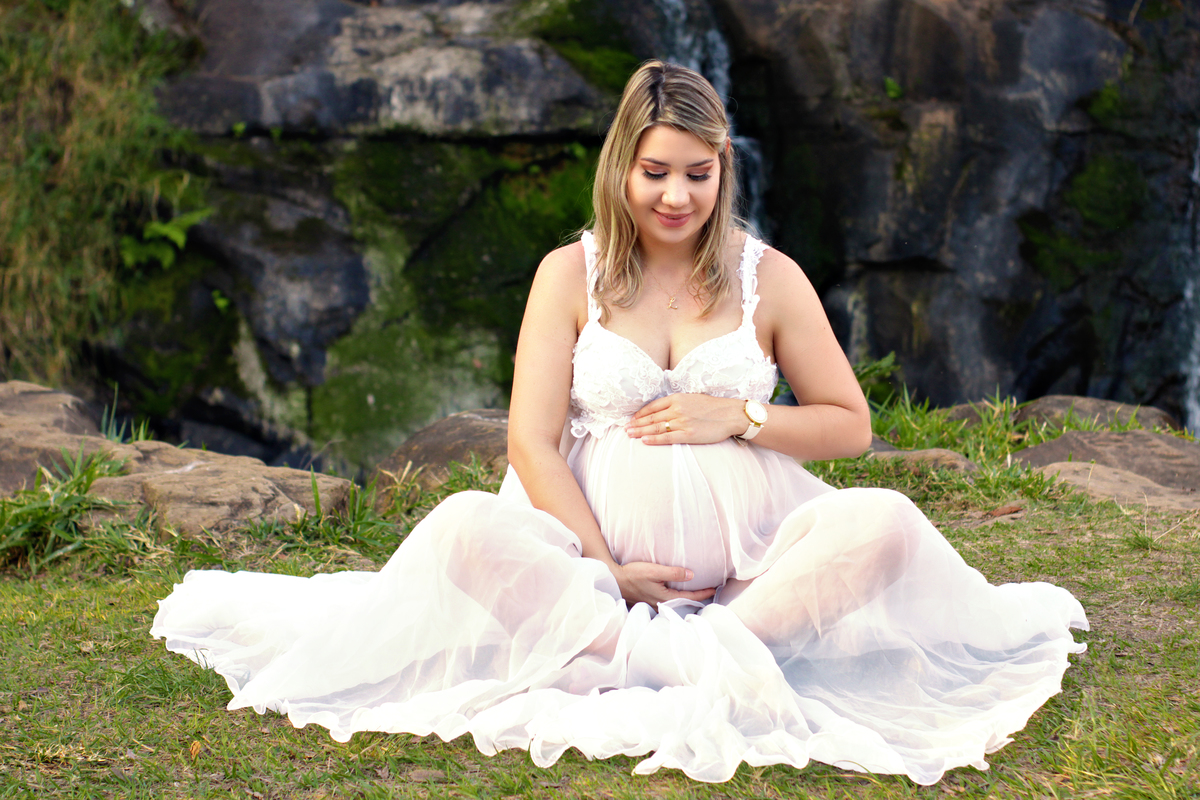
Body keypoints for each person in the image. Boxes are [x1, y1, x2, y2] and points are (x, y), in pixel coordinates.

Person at [152, 61, 1087, 786]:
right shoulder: (571, 273)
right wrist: (600, 565)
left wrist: (744, 414)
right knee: (463, 531)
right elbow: (529, 440)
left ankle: (682, 653)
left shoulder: (770, 276)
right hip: (590, 568)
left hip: (746, 574)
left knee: (883, 523)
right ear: (622, 166)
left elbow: (850, 427)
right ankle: (665, 656)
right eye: (655, 173)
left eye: (697, 173)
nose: (675, 197)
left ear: (725, 168)